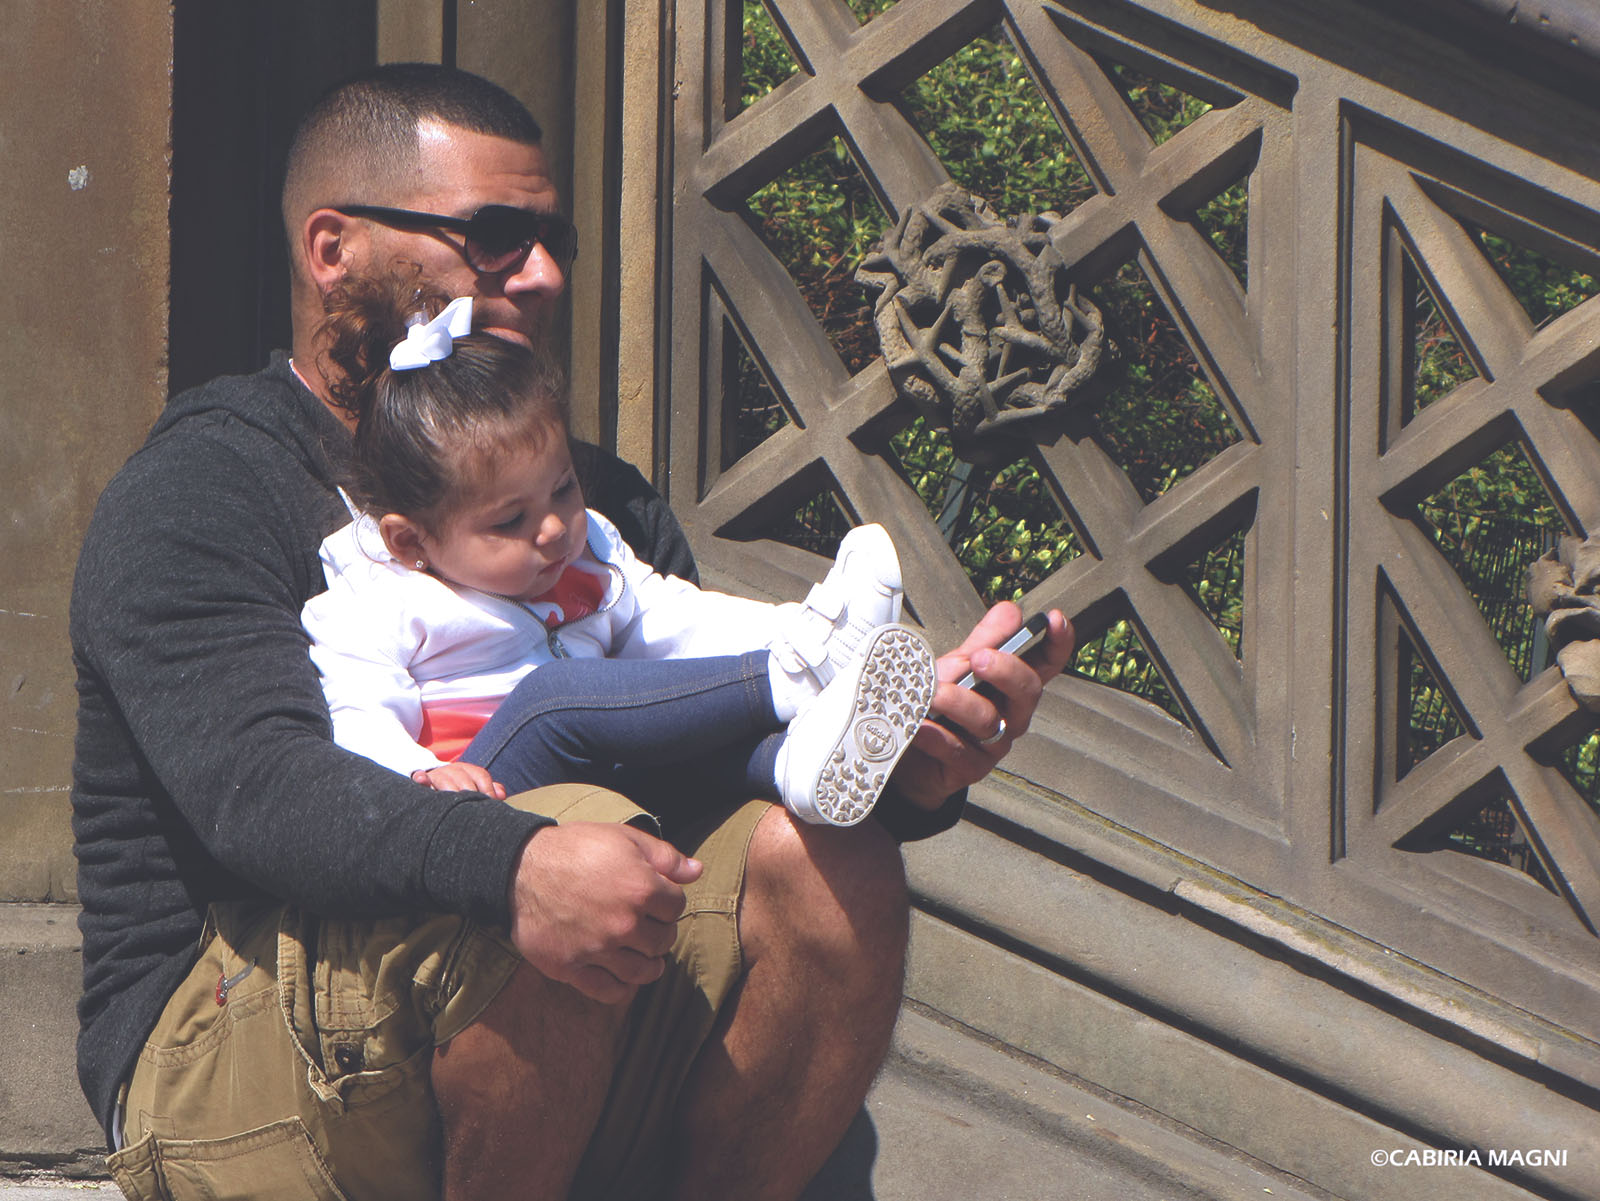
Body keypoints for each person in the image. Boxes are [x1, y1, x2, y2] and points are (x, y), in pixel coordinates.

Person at [69, 61, 1074, 1201]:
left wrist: (906, 770)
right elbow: (262, 795)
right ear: (333, 249)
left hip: (537, 997)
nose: (542, 274)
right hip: (223, 1047)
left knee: (825, 862)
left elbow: (687, 767)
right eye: (495, 237)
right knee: (576, 843)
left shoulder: (593, 503)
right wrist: (517, 859)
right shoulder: (201, 490)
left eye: (553, 241)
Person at [301, 273, 936, 827]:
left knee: (665, 719)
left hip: (602, 789)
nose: (554, 528)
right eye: (511, 520)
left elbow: (678, 621)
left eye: (563, 488)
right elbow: (358, 713)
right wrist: (417, 774)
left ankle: (794, 765)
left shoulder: (590, 553)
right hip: (482, 795)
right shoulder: (377, 600)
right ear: (412, 540)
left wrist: (792, 627)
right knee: (556, 696)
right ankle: (798, 676)